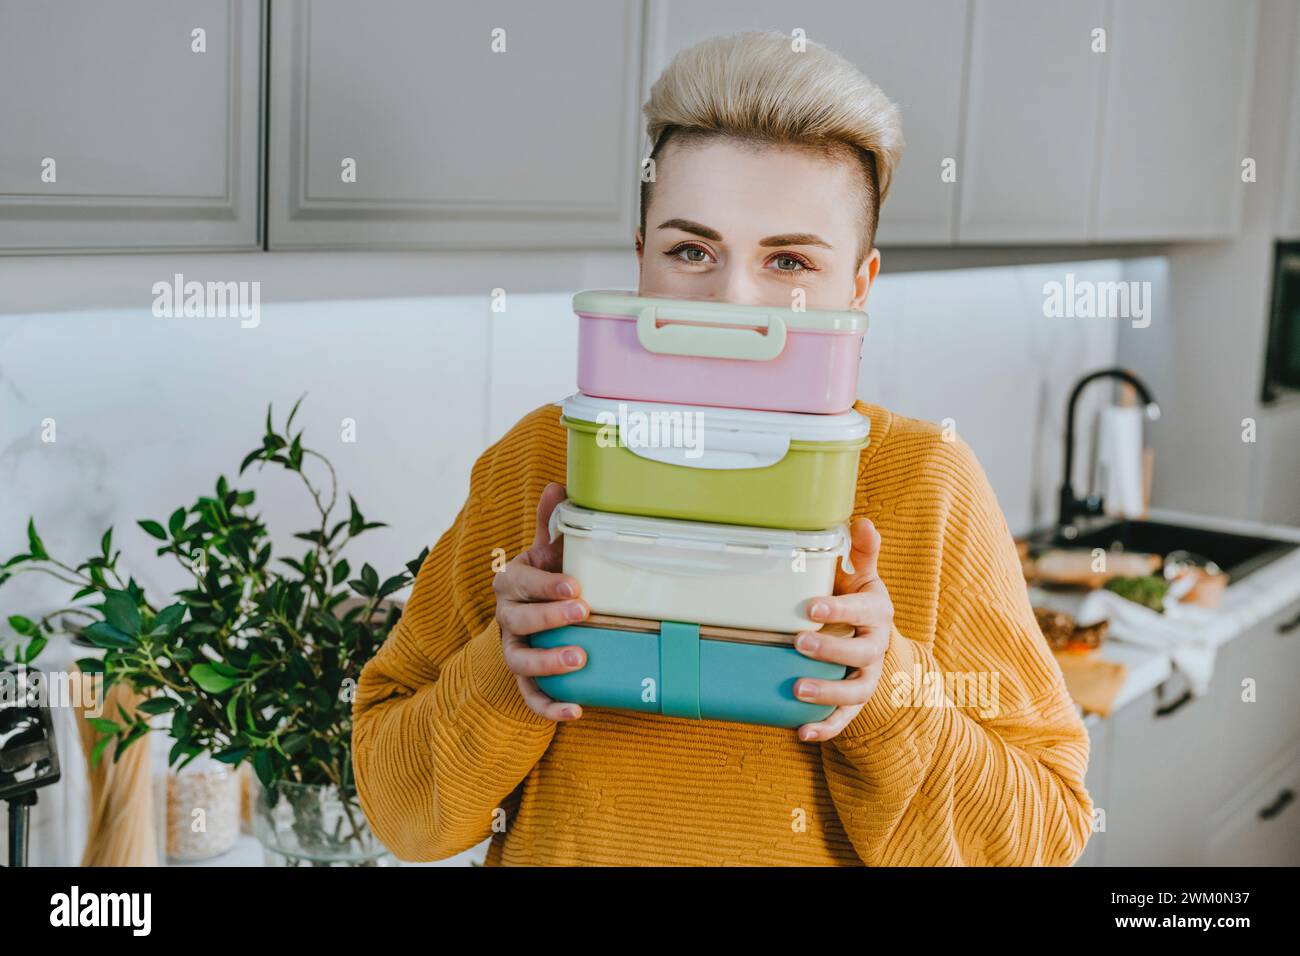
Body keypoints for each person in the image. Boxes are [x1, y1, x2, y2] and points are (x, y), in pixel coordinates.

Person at [351, 31, 1093, 866]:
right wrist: (505, 668)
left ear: (860, 286)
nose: (734, 303)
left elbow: (1045, 836)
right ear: (641, 261)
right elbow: (400, 815)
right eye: (691, 251)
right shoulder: (542, 459)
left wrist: (889, 693)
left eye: (788, 260)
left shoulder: (927, 483)